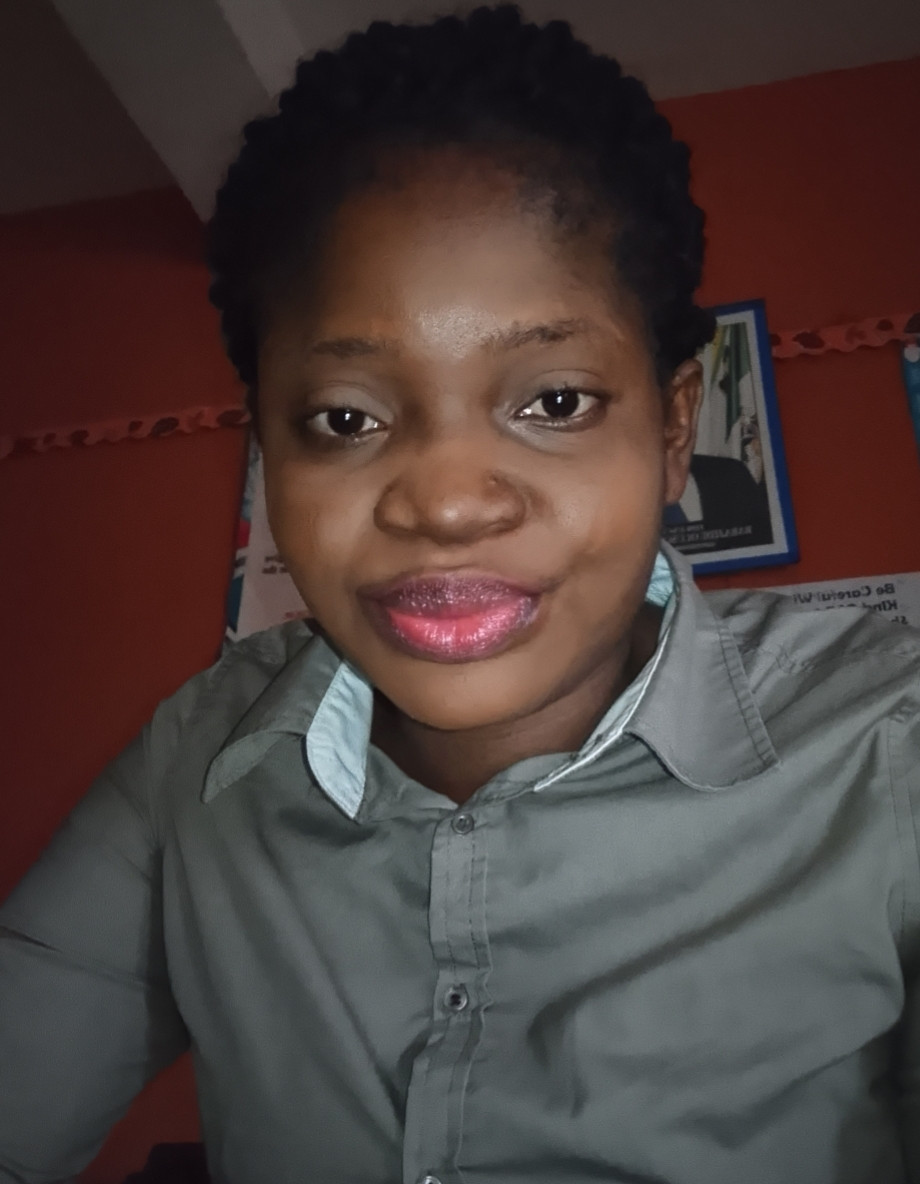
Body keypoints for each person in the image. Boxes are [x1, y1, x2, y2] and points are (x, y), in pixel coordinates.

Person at [1, 8, 919, 1183]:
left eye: (553, 402)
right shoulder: (202, 753)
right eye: (345, 417)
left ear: (672, 428)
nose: (443, 501)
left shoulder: (883, 749)